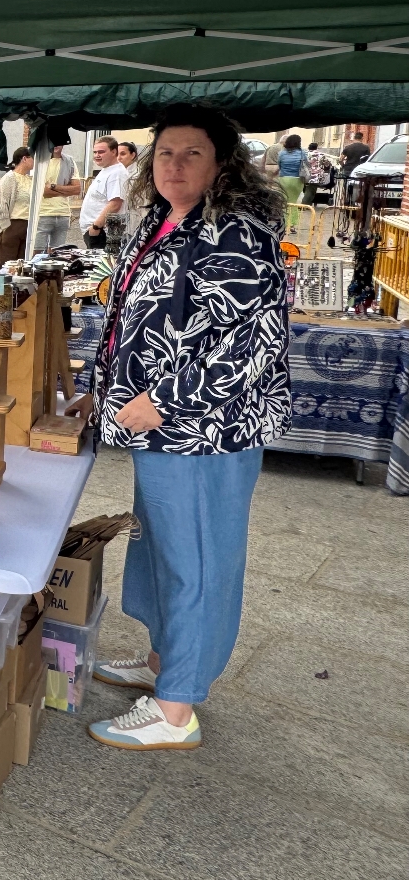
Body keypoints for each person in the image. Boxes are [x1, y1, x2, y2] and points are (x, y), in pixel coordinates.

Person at [81, 105, 288, 752]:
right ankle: (163, 661)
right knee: (161, 550)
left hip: (205, 430)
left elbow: (252, 342)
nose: (174, 165)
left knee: (196, 559)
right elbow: (132, 315)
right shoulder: (163, 219)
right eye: (165, 153)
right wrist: (105, 390)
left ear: (222, 164)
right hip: (160, 429)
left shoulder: (238, 233)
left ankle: (176, 709)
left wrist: (166, 400)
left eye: (192, 153)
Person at [0, 147, 35, 270]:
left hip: (27, 225)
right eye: (32, 158)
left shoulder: (30, 179)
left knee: (21, 266)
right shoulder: (10, 178)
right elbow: (2, 204)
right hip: (12, 224)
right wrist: (6, 227)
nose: (34, 161)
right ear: (24, 158)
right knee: (5, 265)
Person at [79, 135, 129, 250]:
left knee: (102, 261)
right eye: (95, 152)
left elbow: (115, 204)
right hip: (98, 232)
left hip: (103, 233)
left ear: (114, 152)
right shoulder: (107, 170)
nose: (97, 155)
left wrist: (96, 227)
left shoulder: (116, 173)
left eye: (101, 152)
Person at [32, 140, 81, 253]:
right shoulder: (38, 160)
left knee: (57, 254)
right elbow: (43, 191)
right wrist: (66, 190)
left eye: (58, 141)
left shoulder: (69, 161)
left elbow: (77, 189)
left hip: (63, 214)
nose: (55, 144)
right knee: (36, 253)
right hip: (42, 213)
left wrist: (53, 186)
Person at [275, 133, 306, 210]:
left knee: (285, 201)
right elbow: (306, 165)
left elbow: (279, 166)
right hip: (297, 180)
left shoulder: (281, 153)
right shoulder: (302, 153)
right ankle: (294, 217)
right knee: (295, 201)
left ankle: (284, 216)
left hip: (284, 179)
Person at [302, 142, 333, 207]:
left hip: (306, 174)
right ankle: (304, 205)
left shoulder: (305, 154)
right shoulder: (321, 155)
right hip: (317, 176)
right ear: (316, 147)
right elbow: (327, 164)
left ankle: (308, 205)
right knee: (311, 190)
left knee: (310, 189)